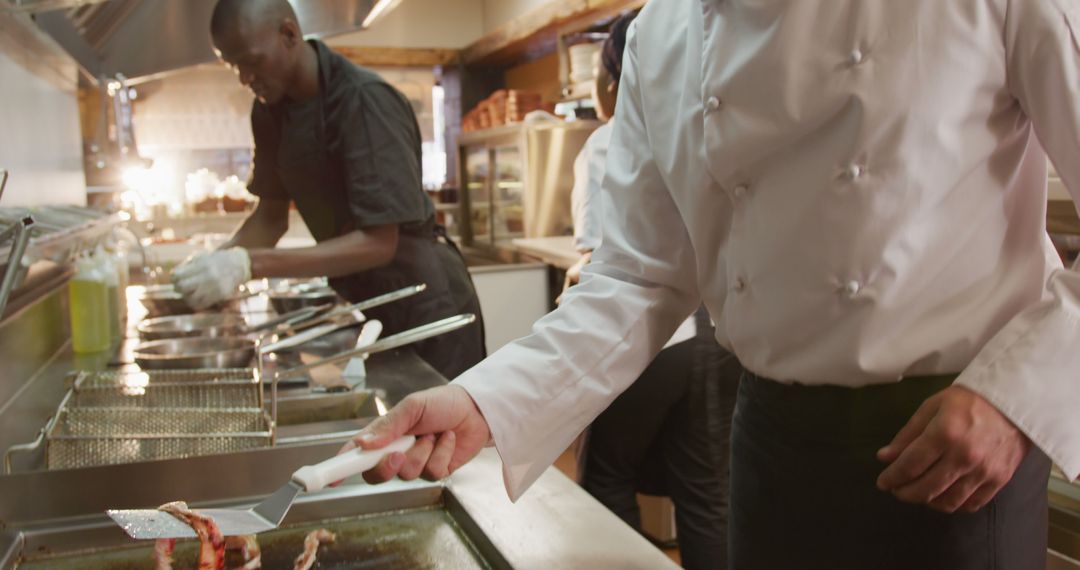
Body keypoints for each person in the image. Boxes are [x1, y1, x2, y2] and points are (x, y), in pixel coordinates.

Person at [345, 1, 1080, 568]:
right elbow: (637, 276)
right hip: (770, 447)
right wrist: (487, 401)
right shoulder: (665, 34)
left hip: (954, 454)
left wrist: (1013, 400)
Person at [173, 0, 485, 379]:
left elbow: (378, 242)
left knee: (441, 427)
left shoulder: (363, 100)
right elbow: (270, 220)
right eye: (234, 66)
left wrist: (246, 265)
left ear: (289, 34)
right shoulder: (269, 111)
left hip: (426, 301)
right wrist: (214, 269)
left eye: (252, 61)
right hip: (370, 300)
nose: (244, 78)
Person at [566, 12, 739, 569]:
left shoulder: (605, 141)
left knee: (607, 477)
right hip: (718, 336)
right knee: (706, 494)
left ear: (618, 77)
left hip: (650, 337)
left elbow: (603, 257)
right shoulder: (712, 126)